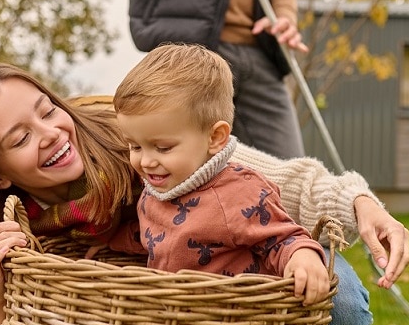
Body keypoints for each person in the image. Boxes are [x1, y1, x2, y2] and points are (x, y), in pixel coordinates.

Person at [0, 62, 409, 325]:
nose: (51, 133)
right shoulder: (19, 233)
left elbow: (272, 181)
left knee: (339, 297)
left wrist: (360, 204)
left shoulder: (132, 140)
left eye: (47, 110)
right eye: (20, 138)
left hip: (245, 260)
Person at [109, 43, 330, 304]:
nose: (145, 161)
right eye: (135, 146)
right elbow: (149, 236)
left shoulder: (239, 193)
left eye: (163, 147)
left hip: (233, 323)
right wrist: (107, 241)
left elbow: (282, 238)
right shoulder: (155, 192)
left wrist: (302, 257)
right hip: (172, 319)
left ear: (215, 138)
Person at [105, 0, 307, 160]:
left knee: (289, 172)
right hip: (185, 56)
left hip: (259, 54)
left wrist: (285, 15)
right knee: (178, 170)